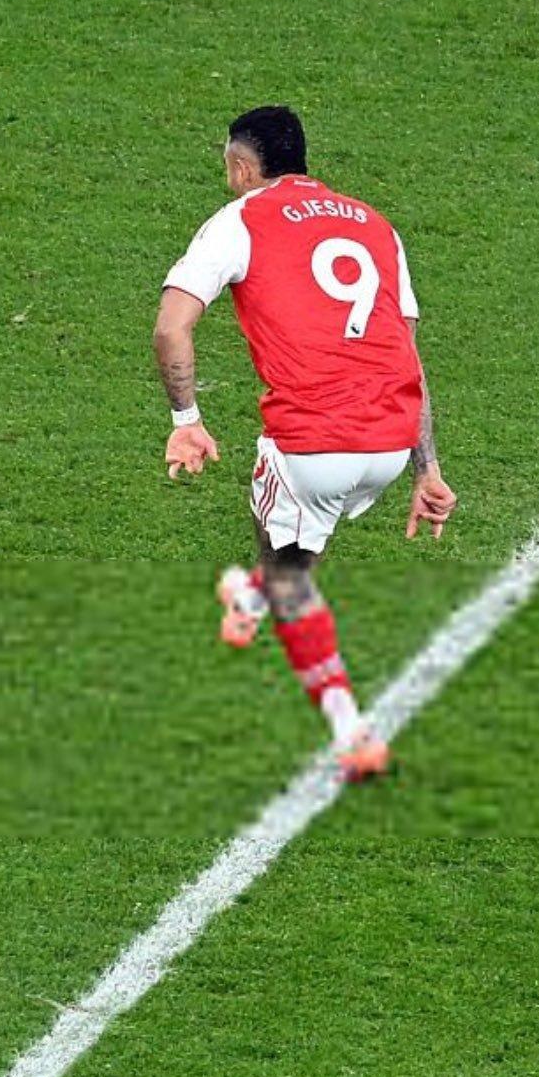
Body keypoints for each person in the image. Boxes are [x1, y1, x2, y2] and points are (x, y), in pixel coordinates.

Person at [156, 104, 457, 782]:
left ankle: (352, 732)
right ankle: (249, 596)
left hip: (312, 447)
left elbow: (171, 327)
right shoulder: (376, 225)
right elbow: (405, 353)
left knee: (291, 573)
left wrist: (186, 421)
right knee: (294, 543)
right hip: (388, 445)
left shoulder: (239, 220)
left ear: (242, 167)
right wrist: (427, 469)